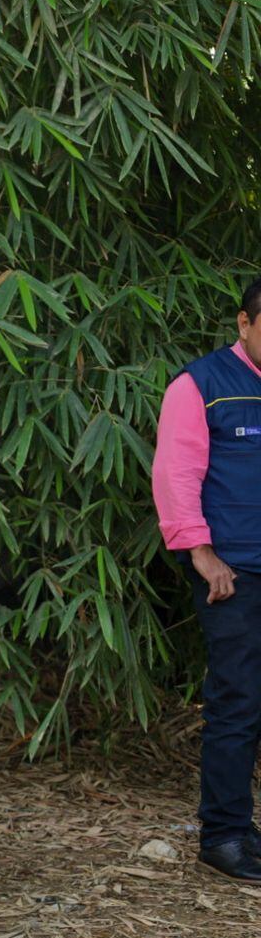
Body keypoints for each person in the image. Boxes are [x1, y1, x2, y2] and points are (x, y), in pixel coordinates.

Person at [151, 277, 261, 882]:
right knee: (238, 701)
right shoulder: (201, 385)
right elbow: (175, 473)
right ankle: (224, 836)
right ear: (244, 323)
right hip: (234, 574)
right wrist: (201, 552)